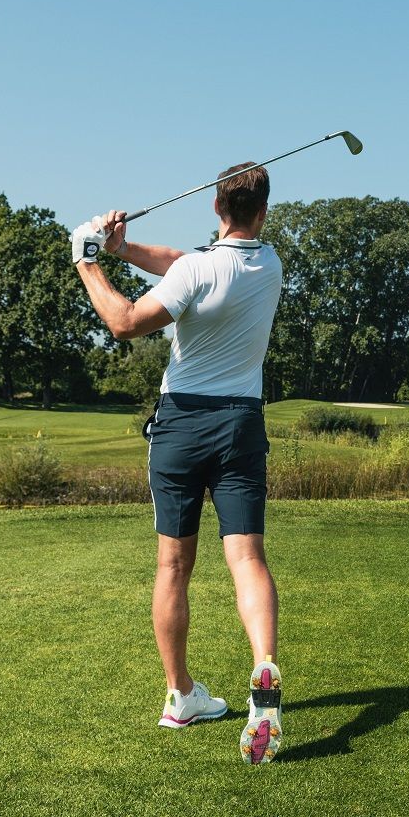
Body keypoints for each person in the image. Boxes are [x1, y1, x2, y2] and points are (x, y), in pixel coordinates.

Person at [69, 163, 284, 764]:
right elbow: (181, 265)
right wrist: (123, 248)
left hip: (182, 426)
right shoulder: (270, 267)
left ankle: (180, 695)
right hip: (241, 422)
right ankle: (263, 665)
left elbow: (124, 322)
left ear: (216, 208)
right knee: (246, 555)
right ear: (261, 213)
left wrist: (89, 261)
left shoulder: (197, 269)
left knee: (173, 565)